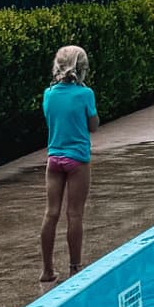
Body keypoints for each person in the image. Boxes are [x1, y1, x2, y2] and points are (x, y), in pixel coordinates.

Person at [39, 44, 99, 286]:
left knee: (50, 213)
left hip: (54, 160)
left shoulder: (48, 94)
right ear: (83, 69)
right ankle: (75, 268)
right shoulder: (86, 94)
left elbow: (51, 119)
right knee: (74, 214)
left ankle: (47, 270)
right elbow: (92, 126)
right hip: (78, 160)